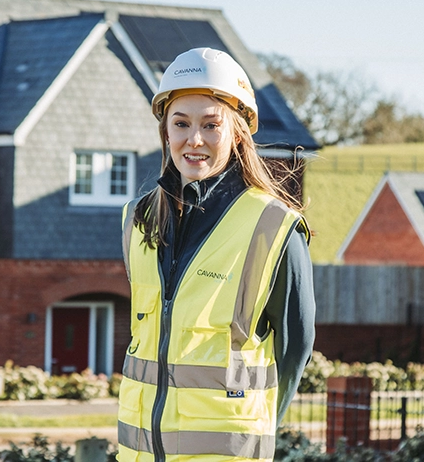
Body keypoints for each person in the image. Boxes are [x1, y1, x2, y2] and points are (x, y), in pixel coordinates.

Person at [117, 47, 315, 462]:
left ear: (238, 132)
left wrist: (262, 424)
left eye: (212, 125)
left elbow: (296, 345)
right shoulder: (136, 221)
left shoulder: (273, 226)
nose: (195, 139)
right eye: (181, 123)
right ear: (165, 131)